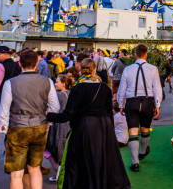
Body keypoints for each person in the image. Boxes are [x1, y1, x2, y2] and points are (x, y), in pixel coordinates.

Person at [47, 58, 130, 189]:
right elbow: (109, 112)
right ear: (94, 69)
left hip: (85, 128)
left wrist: (48, 115)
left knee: (84, 161)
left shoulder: (78, 88)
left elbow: (67, 115)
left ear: (81, 70)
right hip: (104, 127)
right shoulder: (105, 88)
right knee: (102, 159)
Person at [0, 50, 60, 189]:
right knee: (35, 168)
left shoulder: (10, 83)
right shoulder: (47, 82)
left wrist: (4, 129)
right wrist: (47, 123)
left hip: (17, 128)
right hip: (39, 127)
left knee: (16, 173)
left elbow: (3, 111)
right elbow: (55, 107)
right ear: (37, 63)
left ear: (20, 64)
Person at [117, 44, 162, 172]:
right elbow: (157, 88)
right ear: (146, 54)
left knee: (133, 131)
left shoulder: (128, 69)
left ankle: (135, 162)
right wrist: (157, 105)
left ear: (136, 54)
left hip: (132, 102)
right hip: (148, 102)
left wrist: (121, 104)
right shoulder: (153, 69)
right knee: (145, 128)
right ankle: (142, 152)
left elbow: (122, 89)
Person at [44, 74, 73, 182]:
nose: (55, 84)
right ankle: (62, 171)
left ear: (64, 84)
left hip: (59, 125)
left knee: (54, 148)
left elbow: (52, 109)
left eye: (57, 82)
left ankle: (59, 172)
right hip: (68, 124)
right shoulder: (70, 93)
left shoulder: (59, 95)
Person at [0, 45, 21, 160]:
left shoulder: (0, 66)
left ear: (6, 54)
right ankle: (9, 147)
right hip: (14, 97)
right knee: (11, 122)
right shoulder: (17, 65)